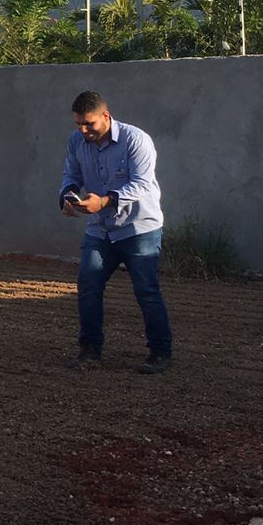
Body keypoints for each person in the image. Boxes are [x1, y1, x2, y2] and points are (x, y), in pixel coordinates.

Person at [59, 90, 173, 374]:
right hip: (100, 229)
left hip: (139, 228)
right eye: (78, 124)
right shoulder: (76, 141)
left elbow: (142, 184)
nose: (83, 130)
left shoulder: (136, 140)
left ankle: (160, 352)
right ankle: (89, 350)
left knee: (146, 290)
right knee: (88, 285)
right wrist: (67, 196)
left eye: (89, 124)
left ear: (106, 117)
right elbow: (71, 175)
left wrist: (104, 201)